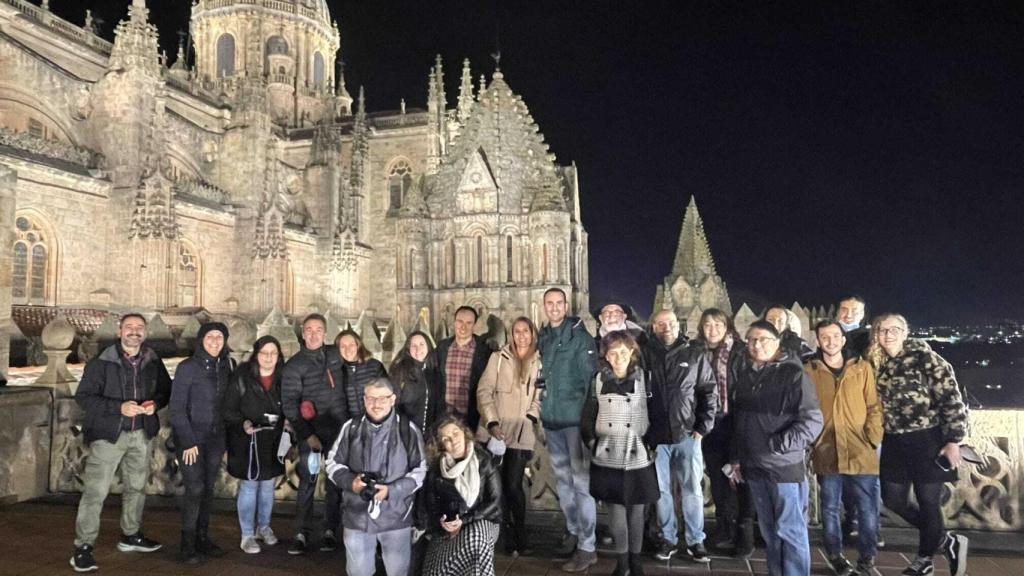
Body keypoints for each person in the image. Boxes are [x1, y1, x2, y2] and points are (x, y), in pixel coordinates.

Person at [70, 313, 171, 573]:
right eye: (129, 327)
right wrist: (118, 408)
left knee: (136, 488)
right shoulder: (102, 361)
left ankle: (131, 535)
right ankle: (83, 546)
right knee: (96, 492)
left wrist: (154, 404)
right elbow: (84, 397)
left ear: (145, 333)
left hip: (141, 435)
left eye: (139, 328)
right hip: (109, 436)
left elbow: (164, 391)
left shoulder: (152, 359)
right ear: (119, 332)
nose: (134, 332)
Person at [869, 314, 969, 576]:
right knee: (893, 500)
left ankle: (924, 560)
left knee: (928, 501)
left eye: (894, 329)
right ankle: (946, 540)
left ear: (905, 332)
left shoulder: (927, 359)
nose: (887, 334)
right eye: (882, 330)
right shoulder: (876, 362)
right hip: (893, 440)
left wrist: (953, 440)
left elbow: (951, 399)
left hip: (927, 439)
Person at [729, 320, 823, 576]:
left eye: (763, 340)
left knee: (791, 531)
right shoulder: (747, 376)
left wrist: (778, 445)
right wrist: (737, 457)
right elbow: (740, 420)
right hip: (754, 467)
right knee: (770, 532)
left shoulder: (793, 374)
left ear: (777, 343)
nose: (757, 345)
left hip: (783, 469)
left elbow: (813, 421)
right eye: (751, 340)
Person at [326, 377, 427, 576]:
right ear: (364, 400)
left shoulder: (408, 430)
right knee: (358, 571)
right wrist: (350, 483)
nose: (376, 404)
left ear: (393, 399)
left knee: (398, 571)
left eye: (382, 398)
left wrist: (392, 491)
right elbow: (332, 463)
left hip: (396, 515)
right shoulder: (351, 428)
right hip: (357, 514)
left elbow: (420, 469)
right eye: (371, 398)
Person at [806, 320, 882, 576]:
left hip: (861, 449)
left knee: (867, 507)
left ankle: (867, 558)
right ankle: (835, 556)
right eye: (824, 337)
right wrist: (814, 440)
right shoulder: (809, 370)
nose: (830, 341)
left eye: (835, 336)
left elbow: (874, 406)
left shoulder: (862, 368)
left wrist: (872, 437)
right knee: (829, 507)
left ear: (844, 339)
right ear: (817, 340)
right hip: (826, 449)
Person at [582, 331, 659, 576]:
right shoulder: (598, 380)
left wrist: (652, 444)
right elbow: (588, 414)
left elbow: (657, 412)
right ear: (606, 355)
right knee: (615, 510)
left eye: (623, 352)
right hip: (608, 452)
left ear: (632, 353)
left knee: (637, 511)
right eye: (612, 353)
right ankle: (622, 561)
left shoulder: (646, 379)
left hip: (637, 452)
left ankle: (636, 563)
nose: (618, 358)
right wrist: (592, 441)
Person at [643, 309, 716, 563]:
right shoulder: (645, 354)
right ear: (653, 327)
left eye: (671, 323)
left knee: (692, 490)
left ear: (679, 325)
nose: (667, 327)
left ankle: (696, 540)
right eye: (661, 323)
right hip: (656, 436)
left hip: (687, 435)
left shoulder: (694, 353)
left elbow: (708, 391)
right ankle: (669, 538)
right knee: (661, 491)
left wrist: (702, 427)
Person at [537, 287, 599, 572]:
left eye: (558, 303)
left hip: (574, 422)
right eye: (549, 303)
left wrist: (588, 422)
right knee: (564, 485)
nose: (554, 308)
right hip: (552, 421)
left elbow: (590, 381)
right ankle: (574, 531)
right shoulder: (545, 337)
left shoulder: (580, 337)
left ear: (566, 305)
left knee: (582, 486)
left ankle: (588, 547)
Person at [281, 314, 349, 555]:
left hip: (338, 433)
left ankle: (330, 530)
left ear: (325, 333)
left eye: (318, 330)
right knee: (307, 482)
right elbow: (289, 404)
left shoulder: (335, 355)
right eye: (308, 329)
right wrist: (307, 435)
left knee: (334, 483)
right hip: (311, 436)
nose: (313, 334)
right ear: (302, 332)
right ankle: (301, 532)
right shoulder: (295, 365)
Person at [475, 316, 543, 556]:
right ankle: (503, 535)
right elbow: (484, 391)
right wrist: (492, 422)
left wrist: (532, 416)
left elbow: (541, 394)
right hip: (496, 433)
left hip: (522, 432)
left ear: (532, 334)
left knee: (514, 486)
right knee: (497, 487)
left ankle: (520, 535)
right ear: (511, 334)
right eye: (517, 331)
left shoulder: (539, 361)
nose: (521, 336)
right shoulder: (499, 359)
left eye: (526, 331)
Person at [170, 322, 233, 564]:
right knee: (194, 488)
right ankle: (187, 545)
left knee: (208, 489)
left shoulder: (226, 366)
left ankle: (202, 538)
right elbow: (176, 408)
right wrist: (187, 441)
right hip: (192, 439)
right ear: (201, 340)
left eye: (220, 336)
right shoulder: (188, 368)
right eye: (210, 336)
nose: (215, 341)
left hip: (215, 439)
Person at [695, 308, 755, 556]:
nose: (713, 330)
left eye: (718, 324)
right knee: (718, 478)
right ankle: (724, 526)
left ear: (728, 326)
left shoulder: (740, 352)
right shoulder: (697, 352)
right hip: (710, 424)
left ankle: (745, 531)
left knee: (741, 477)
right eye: (707, 325)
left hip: (736, 421)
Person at [223, 335, 287, 554]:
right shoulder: (242, 376)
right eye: (264, 353)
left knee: (268, 485)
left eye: (273, 353)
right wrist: (244, 423)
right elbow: (228, 408)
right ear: (256, 354)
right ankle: (247, 534)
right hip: (247, 440)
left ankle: (264, 526)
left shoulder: (283, 377)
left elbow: (291, 403)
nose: (269, 357)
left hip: (273, 440)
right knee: (250, 485)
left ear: (279, 356)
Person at [421, 415, 503, 576]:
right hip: (449, 526)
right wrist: (444, 522)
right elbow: (431, 505)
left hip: (484, 520)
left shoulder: (484, 460)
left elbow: (495, 501)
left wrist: (464, 521)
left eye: (456, 433)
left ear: (464, 433)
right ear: (440, 445)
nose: (454, 440)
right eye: (446, 439)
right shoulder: (437, 468)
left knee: (477, 539)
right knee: (435, 571)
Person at [436, 306, 492, 430]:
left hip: (472, 418)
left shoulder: (484, 351)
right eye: (460, 321)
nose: (463, 327)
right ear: (454, 322)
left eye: (468, 323)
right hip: (445, 417)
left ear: (474, 325)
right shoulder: (442, 348)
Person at [392, 331, 445, 434]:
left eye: (421, 344)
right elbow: (394, 404)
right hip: (407, 432)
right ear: (408, 349)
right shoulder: (400, 371)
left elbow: (439, 404)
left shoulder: (434, 372)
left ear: (428, 346)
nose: (418, 349)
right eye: (414, 345)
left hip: (430, 432)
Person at [336, 328, 388, 419]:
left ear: (358, 345)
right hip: (350, 422)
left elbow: (386, 393)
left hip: (375, 419)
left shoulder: (375, 366)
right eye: (343, 346)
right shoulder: (337, 370)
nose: (347, 349)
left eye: (351, 345)